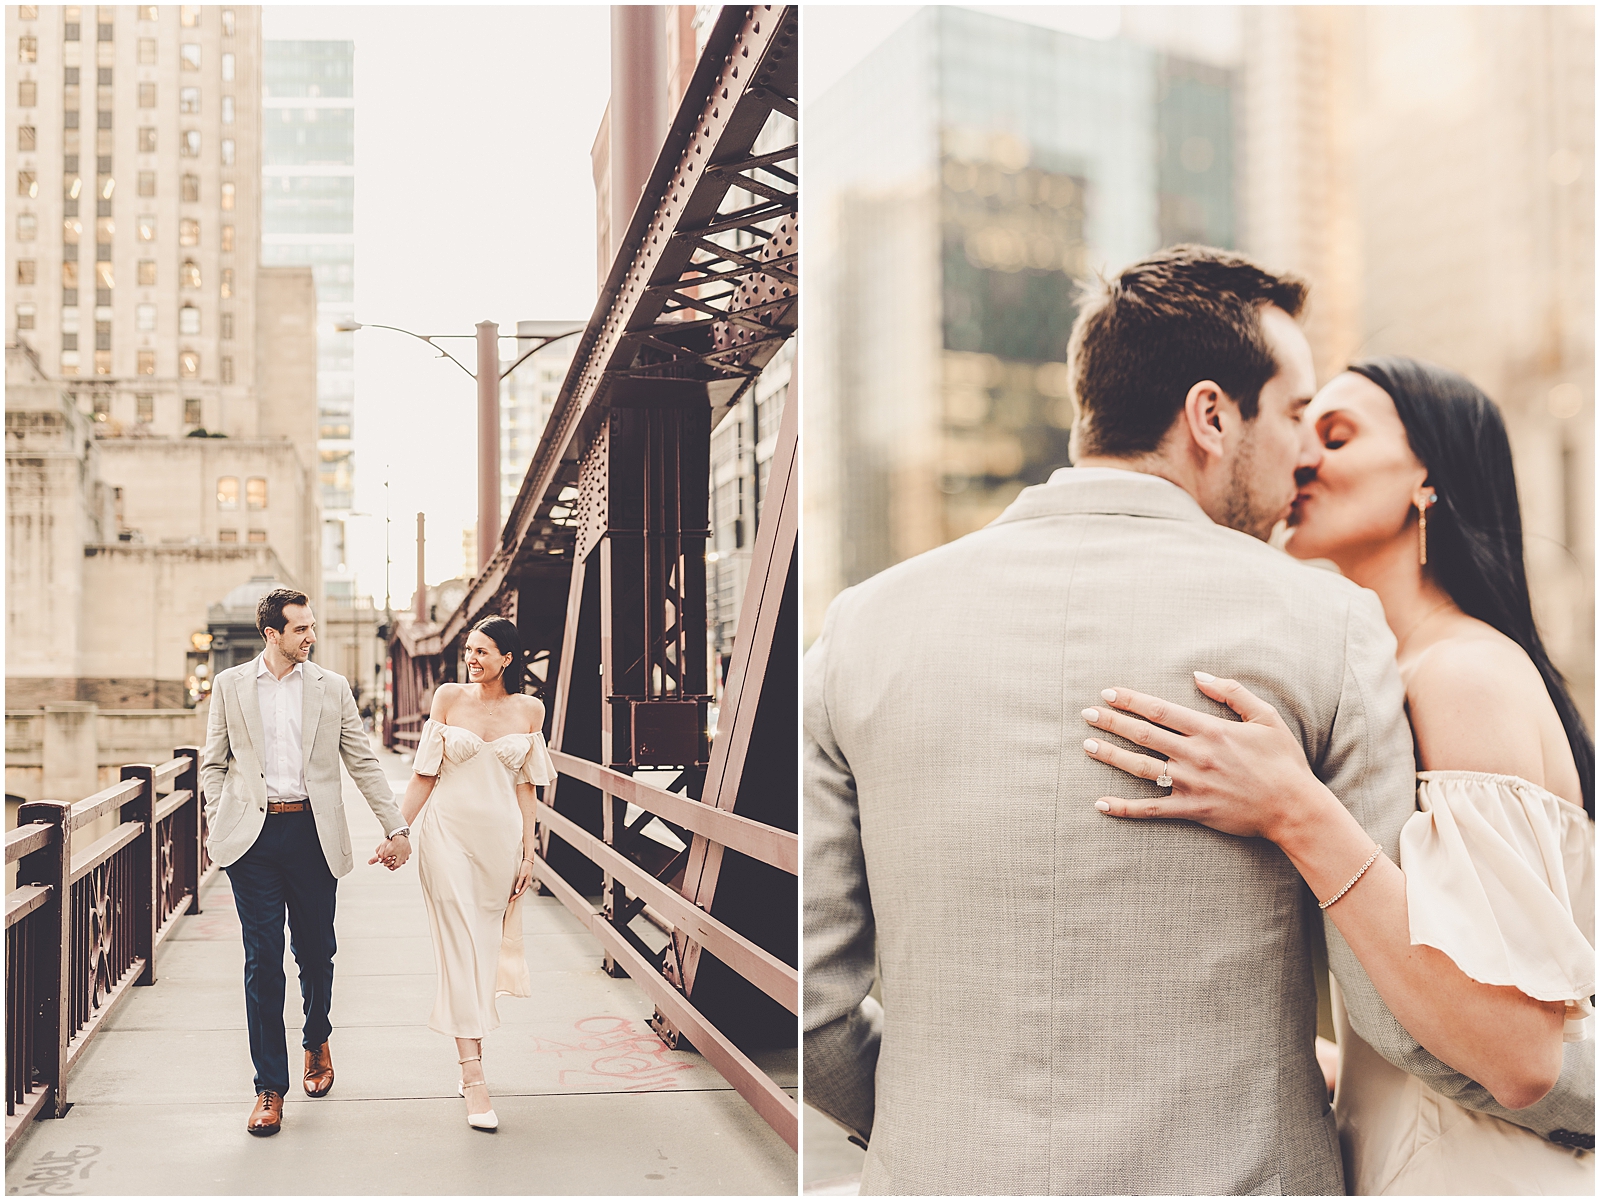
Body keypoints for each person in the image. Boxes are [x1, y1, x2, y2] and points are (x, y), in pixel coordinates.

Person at [802, 246, 1594, 1194]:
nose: (1304, 452)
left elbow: (815, 1015)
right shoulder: (1333, 630)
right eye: (1299, 414)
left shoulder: (858, 629)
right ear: (1212, 416)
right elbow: (1394, 1014)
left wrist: (954, 1137)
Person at [1082, 357, 1594, 1193]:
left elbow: (1521, 1053)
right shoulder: (1394, 674)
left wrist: (1294, 809)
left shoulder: (1464, 674)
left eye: (1339, 434)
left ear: (1426, 477)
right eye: (1302, 429)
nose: (1303, 457)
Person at [200, 587, 411, 1137]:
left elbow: (363, 762)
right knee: (262, 960)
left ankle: (316, 1035)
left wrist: (396, 824)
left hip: (314, 835)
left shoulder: (331, 688)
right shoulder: (229, 686)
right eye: (300, 629)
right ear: (272, 634)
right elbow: (214, 763)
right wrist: (213, 820)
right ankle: (269, 1087)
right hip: (254, 839)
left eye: (312, 626)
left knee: (316, 952)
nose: (311, 636)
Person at [377, 615, 554, 1131]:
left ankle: (471, 1047)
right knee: (458, 947)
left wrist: (528, 853)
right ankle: (473, 1074)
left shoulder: (529, 710)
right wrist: (398, 830)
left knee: (482, 949)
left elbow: (527, 788)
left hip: (499, 846)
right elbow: (423, 776)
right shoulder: (449, 699)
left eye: (482, 652)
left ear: (508, 659)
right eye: (468, 650)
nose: (471, 659)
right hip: (446, 840)